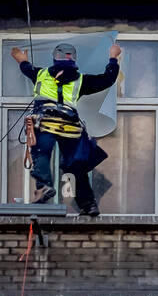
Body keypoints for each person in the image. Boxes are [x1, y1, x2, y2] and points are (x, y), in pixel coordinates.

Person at [10, 41, 121, 217]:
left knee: (41, 152)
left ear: (55, 58)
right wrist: (113, 57)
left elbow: (26, 68)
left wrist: (22, 59)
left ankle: (44, 186)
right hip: (70, 127)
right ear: (74, 59)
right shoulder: (81, 80)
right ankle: (88, 204)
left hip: (45, 122)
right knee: (76, 166)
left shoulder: (41, 74)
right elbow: (107, 79)